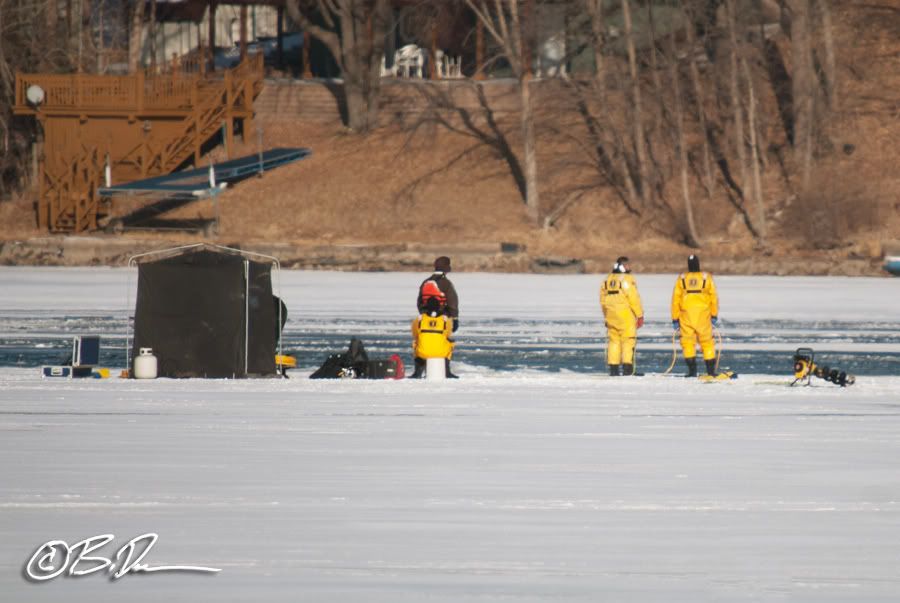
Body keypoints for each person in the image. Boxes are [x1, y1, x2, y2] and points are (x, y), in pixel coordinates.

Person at [671, 254, 719, 377]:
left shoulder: (682, 278)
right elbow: (713, 298)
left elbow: (675, 299)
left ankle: (692, 371)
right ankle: (711, 371)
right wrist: (714, 315)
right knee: (707, 342)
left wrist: (675, 318)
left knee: (687, 343)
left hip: (686, 316)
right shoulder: (706, 277)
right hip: (703, 315)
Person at [600, 256, 644, 376]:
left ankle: (613, 369)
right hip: (625, 315)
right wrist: (639, 315)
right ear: (620, 266)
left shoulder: (607, 280)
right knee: (628, 341)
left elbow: (603, 301)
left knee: (614, 341)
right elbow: (633, 298)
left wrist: (606, 316)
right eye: (626, 265)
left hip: (611, 315)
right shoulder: (627, 279)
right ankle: (628, 369)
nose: (629, 267)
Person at [410, 296, 456, 379]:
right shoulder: (445, 320)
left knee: (415, 343)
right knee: (451, 343)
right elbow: (448, 334)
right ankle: (447, 371)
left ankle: (417, 372)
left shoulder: (420, 319)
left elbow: (414, 333)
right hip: (441, 352)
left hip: (422, 352)